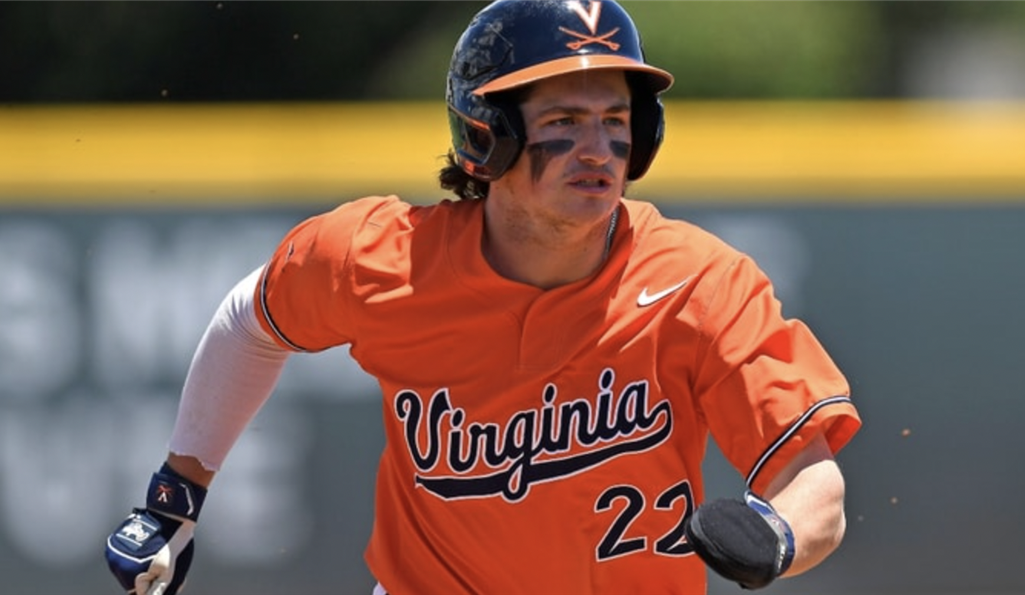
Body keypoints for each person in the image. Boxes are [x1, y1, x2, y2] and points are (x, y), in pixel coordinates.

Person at [104, 0, 861, 593]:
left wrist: (780, 536)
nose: (599, 148)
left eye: (617, 121)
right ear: (485, 134)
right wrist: (178, 492)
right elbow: (253, 321)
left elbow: (813, 478)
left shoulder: (702, 284)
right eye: (564, 122)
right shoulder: (381, 258)